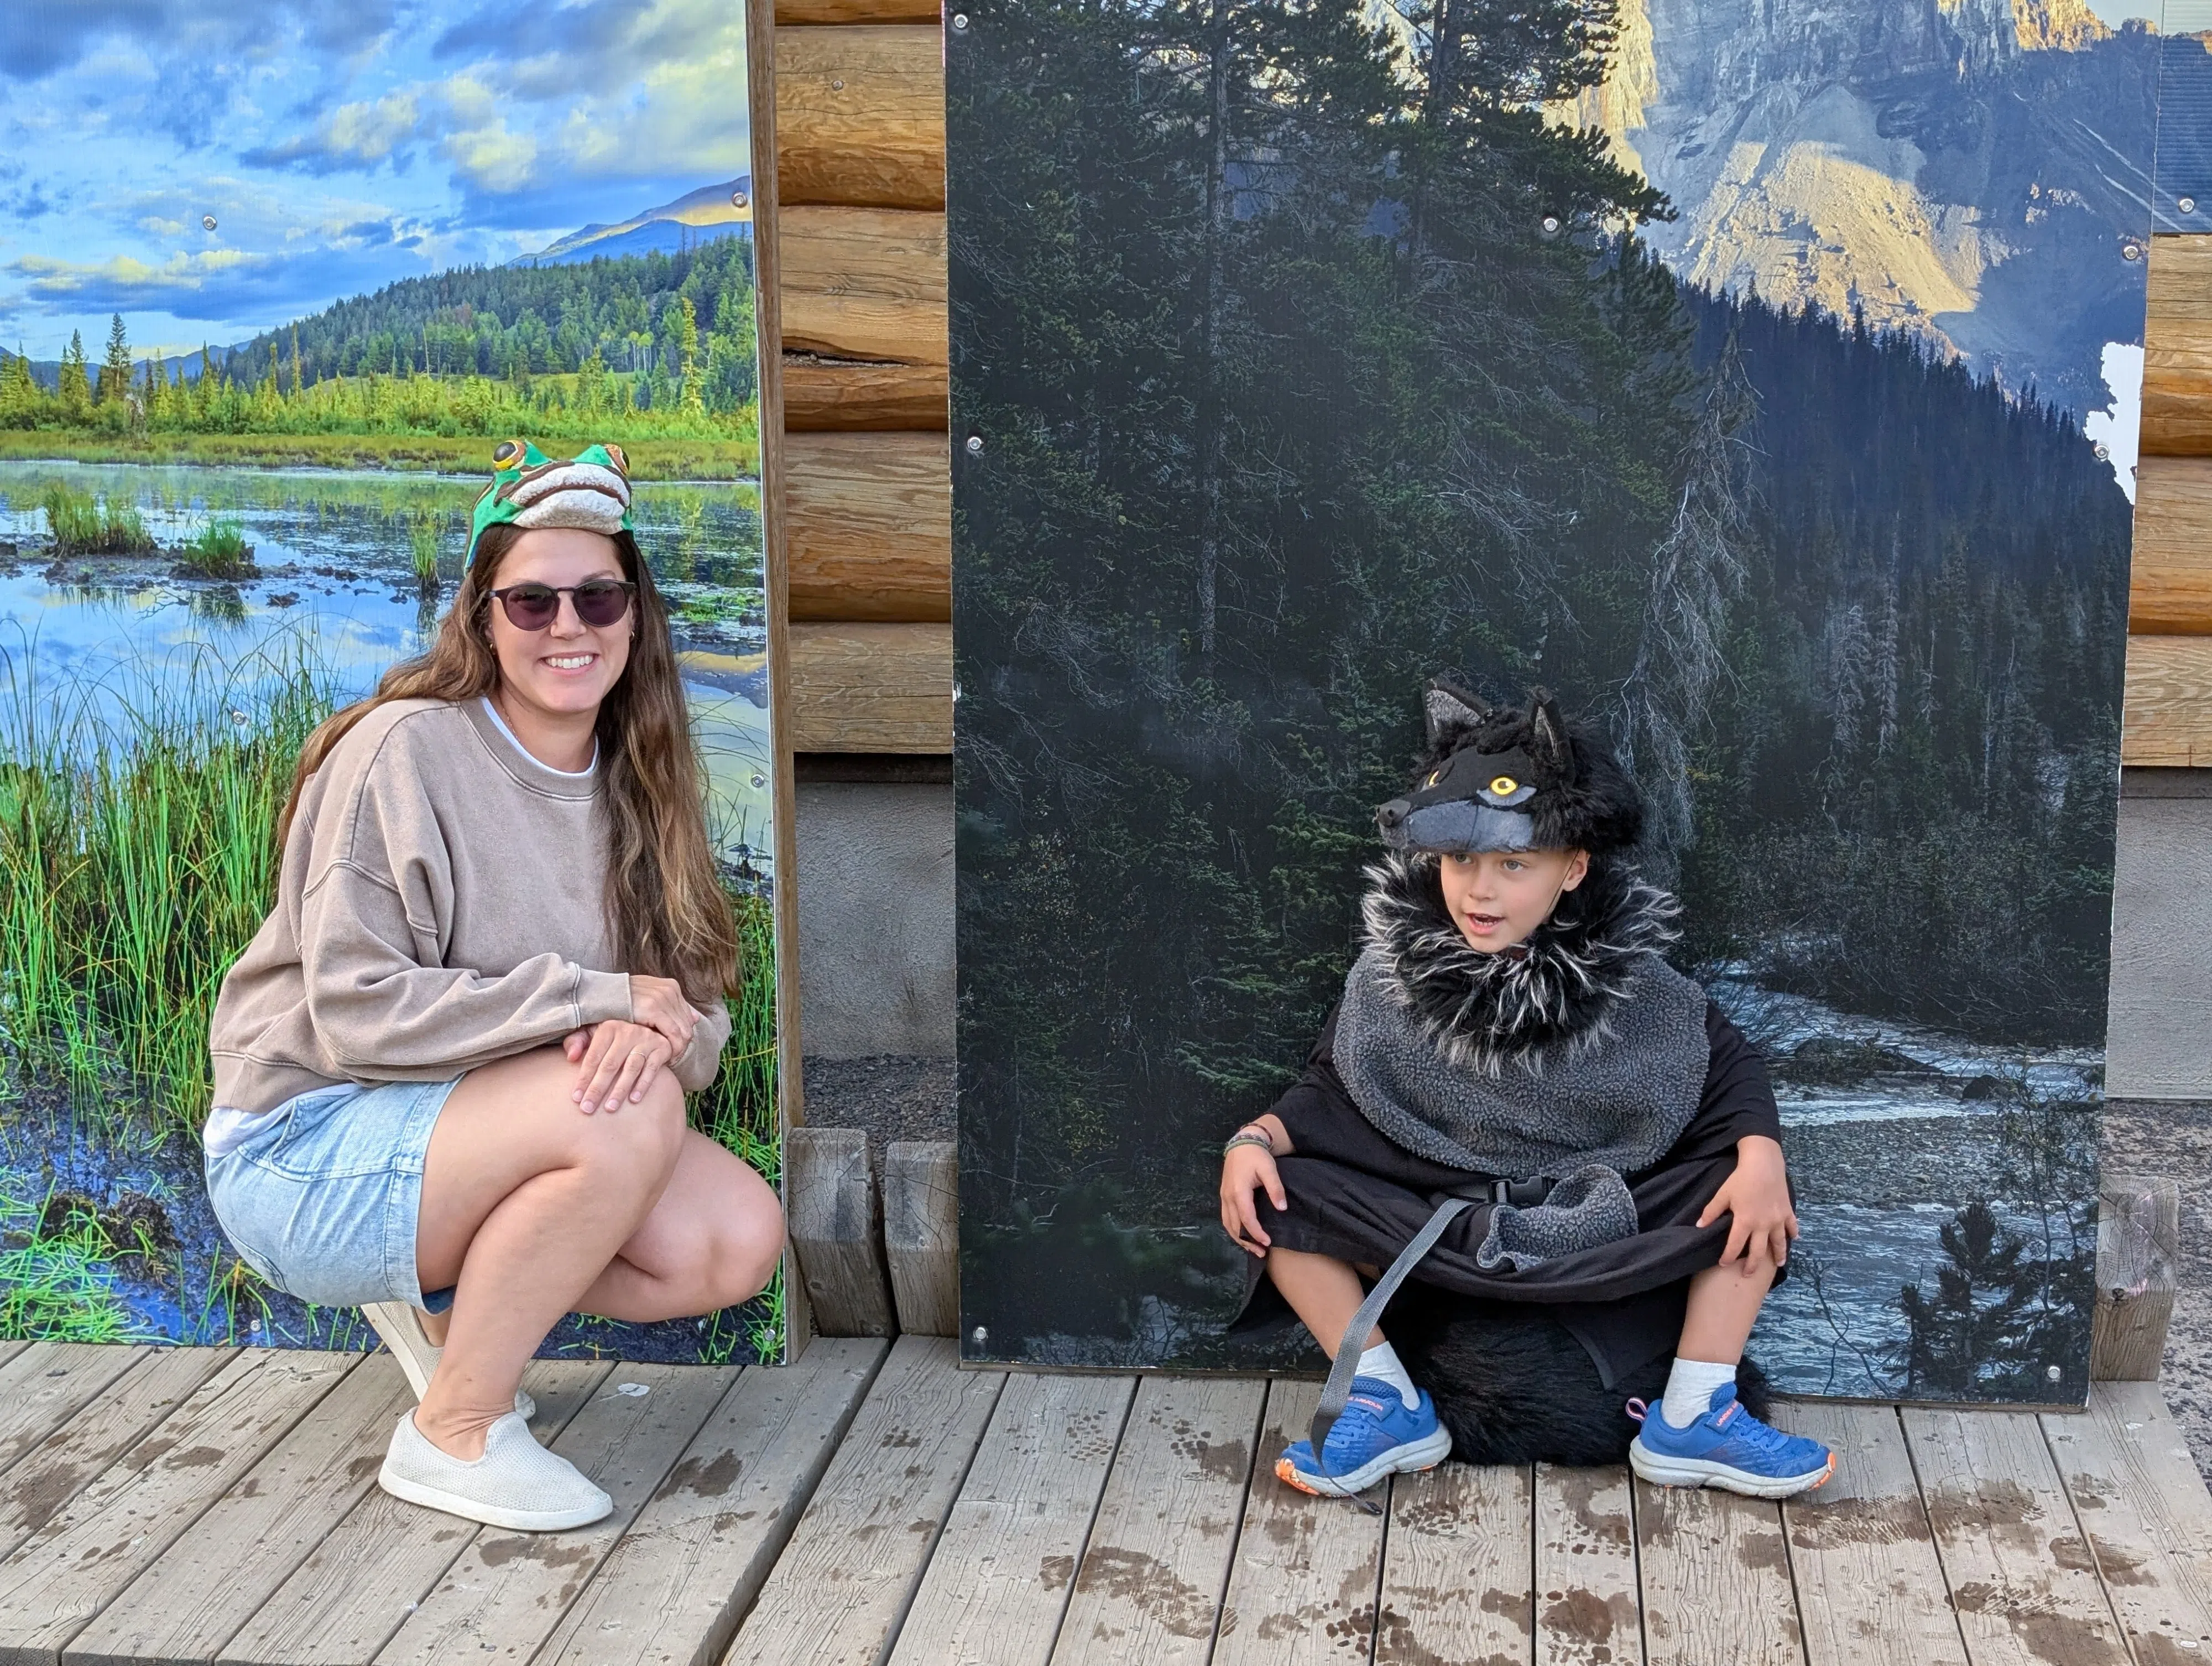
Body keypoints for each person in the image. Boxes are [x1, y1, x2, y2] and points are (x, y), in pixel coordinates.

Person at [205, 441, 785, 1533]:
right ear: (482, 619)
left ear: (634, 615)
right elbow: (358, 1014)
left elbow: (696, 1014)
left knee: (731, 1240)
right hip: (302, 1150)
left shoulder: (641, 783)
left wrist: (651, 1030)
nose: (569, 625)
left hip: (463, 1134)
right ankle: (454, 1430)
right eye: (531, 602)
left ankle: (447, 1326)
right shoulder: (402, 752)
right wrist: (595, 999)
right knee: (622, 1120)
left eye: (598, 595)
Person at [1218, 681, 1835, 1501]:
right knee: (1275, 1193)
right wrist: (1254, 1141)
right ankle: (1385, 1397)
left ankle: (1696, 1412)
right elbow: (1335, 1087)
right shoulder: (1389, 980)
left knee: (1749, 1190)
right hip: (1446, 1224)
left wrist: (1761, 1160)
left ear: (1573, 866)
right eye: (1462, 861)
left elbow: (1729, 1071)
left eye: (1514, 865)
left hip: (1604, 1221)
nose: (1480, 892)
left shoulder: (1640, 988)